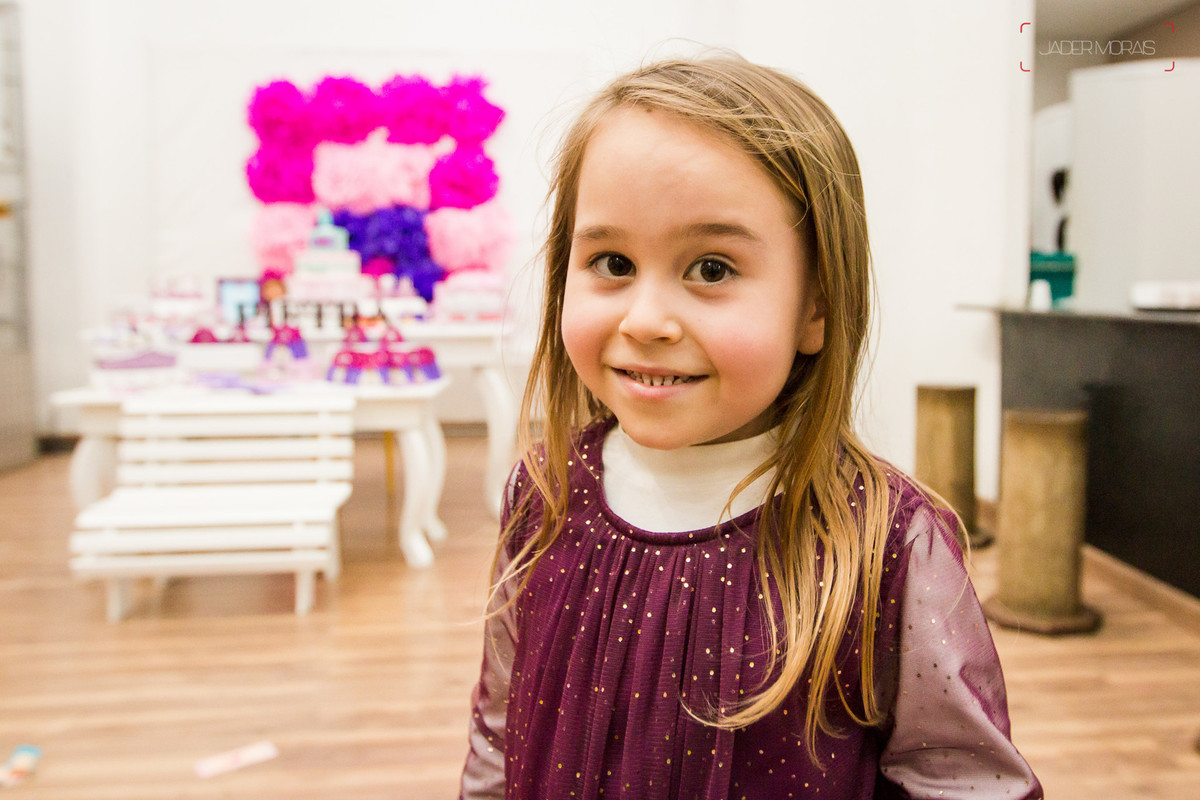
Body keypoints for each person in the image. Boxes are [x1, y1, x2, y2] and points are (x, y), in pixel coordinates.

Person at [460, 53, 1042, 800]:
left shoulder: (890, 546)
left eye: (711, 269)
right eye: (612, 262)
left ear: (815, 307)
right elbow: (499, 731)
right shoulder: (542, 494)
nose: (646, 320)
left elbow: (965, 782)